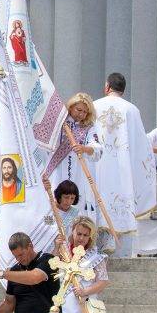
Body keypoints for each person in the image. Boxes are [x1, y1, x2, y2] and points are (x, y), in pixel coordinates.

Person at [92, 73, 155, 257]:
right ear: (123, 89)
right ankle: (119, 249)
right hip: (122, 168)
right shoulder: (132, 109)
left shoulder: (94, 106)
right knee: (122, 199)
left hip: (98, 166)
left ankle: (95, 247)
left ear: (107, 86)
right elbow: (141, 145)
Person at [44, 93, 104, 249]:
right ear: (71, 107)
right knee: (53, 205)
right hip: (57, 171)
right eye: (78, 110)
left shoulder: (89, 128)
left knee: (75, 206)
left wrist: (85, 148)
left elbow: (97, 148)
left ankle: (75, 246)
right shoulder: (59, 122)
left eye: (84, 112)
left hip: (77, 174)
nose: (81, 114)